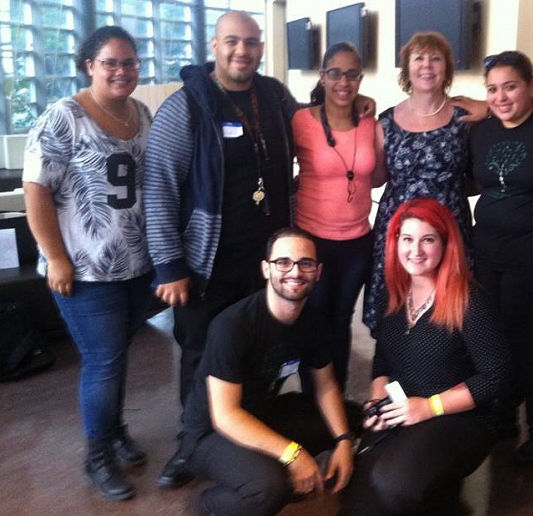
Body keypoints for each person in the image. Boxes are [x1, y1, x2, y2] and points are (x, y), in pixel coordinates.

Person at [144, 12, 373, 487]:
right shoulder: (183, 108)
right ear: (214, 44)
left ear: (261, 47)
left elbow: (317, 113)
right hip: (207, 261)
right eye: (232, 42)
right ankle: (194, 446)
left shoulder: (273, 97)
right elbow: (158, 188)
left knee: (260, 349)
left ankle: (251, 433)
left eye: (251, 42)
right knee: (201, 351)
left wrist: (355, 102)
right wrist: (169, 265)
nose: (241, 51)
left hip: (269, 262)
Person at [23, 26, 153, 500]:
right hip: (84, 269)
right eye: (111, 62)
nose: (122, 71)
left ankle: (115, 430)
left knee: (117, 358)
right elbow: (35, 189)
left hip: (136, 264)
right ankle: (97, 454)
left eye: (130, 62)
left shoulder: (141, 113)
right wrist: (55, 256)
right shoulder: (64, 117)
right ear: (89, 66)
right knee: (103, 362)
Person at [342, 198, 510, 515]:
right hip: (405, 410)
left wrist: (430, 407)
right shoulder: (395, 294)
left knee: (394, 483)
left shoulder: (469, 300)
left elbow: (496, 377)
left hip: (460, 418)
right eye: (407, 239)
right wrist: (378, 400)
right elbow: (382, 361)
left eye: (427, 239)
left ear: (446, 244)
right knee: (357, 500)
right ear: (395, 243)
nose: (415, 250)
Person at [179, 227, 355, 516]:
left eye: (305, 263)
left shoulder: (314, 322)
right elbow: (225, 415)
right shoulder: (232, 326)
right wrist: (292, 454)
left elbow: (326, 387)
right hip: (209, 431)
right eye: (283, 262)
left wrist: (344, 441)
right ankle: (207, 504)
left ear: (318, 272)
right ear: (266, 269)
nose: (295, 272)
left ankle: (274, 468)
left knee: (352, 417)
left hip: (264, 412)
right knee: (270, 489)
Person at [469, 51, 533, 463]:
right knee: (494, 339)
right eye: (492, 89)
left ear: (532, 86)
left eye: (510, 86)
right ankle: (504, 416)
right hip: (488, 253)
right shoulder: (481, 132)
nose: (501, 97)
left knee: (520, 342)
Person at [362, 31, 473, 336]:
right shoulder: (384, 121)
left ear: (447, 69)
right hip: (398, 230)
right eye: (419, 58)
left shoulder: (465, 118)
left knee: (447, 312)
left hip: (448, 227)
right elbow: (378, 177)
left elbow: (477, 176)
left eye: (436, 58)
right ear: (407, 68)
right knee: (396, 308)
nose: (427, 66)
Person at [293, 42, 381, 391]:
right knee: (313, 320)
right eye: (335, 73)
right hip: (312, 240)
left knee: (341, 321)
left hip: (357, 242)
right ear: (322, 76)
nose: (343, 81)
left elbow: (379, 176)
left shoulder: (370, 122)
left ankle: (336, 395)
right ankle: (310, 399)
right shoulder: (301, 120)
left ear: (360, 78)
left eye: (351, 74)